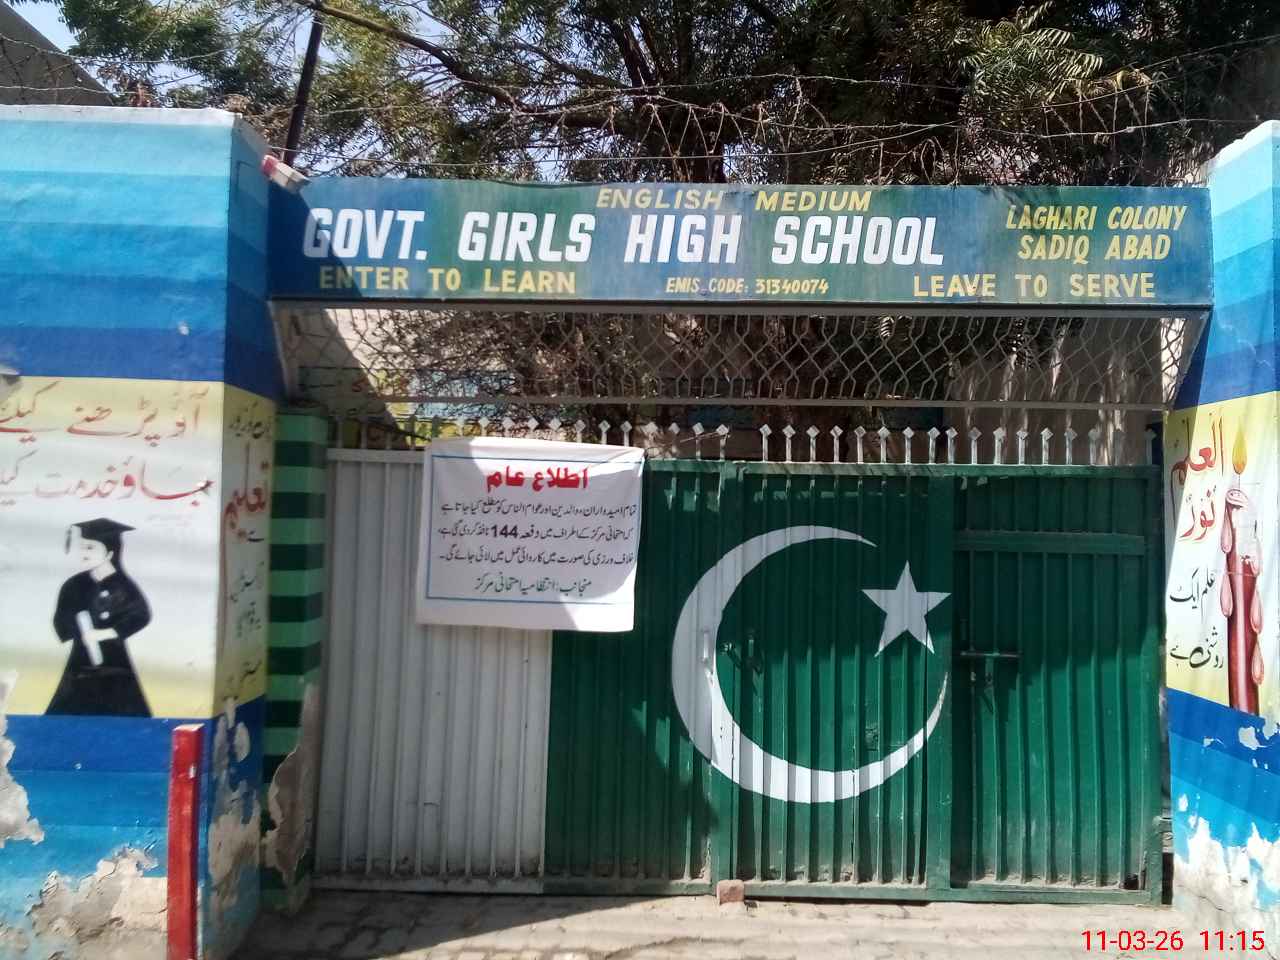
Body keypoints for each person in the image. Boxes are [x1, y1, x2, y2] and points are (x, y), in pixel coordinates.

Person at [46, 518, 152, 716]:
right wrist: (79, 630)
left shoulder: (123, 586)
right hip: (81, 660)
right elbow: (61, 619)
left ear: (110, 553)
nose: (84, 553)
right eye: (82, 548)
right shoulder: (74, 585)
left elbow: (141, 615)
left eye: (90, 548)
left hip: (114, 660)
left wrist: (108, 633)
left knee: (123, 709)